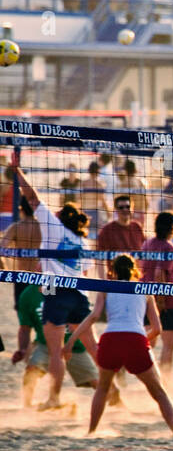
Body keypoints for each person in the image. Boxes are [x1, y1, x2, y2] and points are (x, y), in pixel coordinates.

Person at [12, 163, 98, 410]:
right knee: (93, 347)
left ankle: (54, 398)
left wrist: (18, 173)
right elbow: (85, 272)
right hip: (80, 295)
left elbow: (32, 197)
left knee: (56, 350)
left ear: (60, 216)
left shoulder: (53, 226)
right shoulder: (83, 241)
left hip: (57, 293)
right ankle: (111, 389)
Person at [67, 254, 173, 437]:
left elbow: (94, 316)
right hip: (135, 339)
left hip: (110, 340)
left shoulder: (105, 288)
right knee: (159, 393)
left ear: (113, 270)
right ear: (134, 269)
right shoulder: (146, 290)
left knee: (102, 389)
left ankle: (91, 431)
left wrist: (71, 341)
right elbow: (157, 329)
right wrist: (143, 340)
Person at [12, 283, 106, 407]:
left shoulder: (70, 289)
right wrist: (23, 349)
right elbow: (24, 328)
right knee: (31, 371)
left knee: (96, 381)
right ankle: (27, 406)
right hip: (45, 343)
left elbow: (84, 321)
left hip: (75, 346)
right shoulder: (28, 294)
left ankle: (116, 403)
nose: (39, 266)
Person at [139, 211, 173, 372]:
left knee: (148, 341)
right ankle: (163, 380)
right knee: (168, 344)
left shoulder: (147, 243)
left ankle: (146, 373)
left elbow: (141, 267)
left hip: (144, 295)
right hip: (165, 300)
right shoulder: (168, 247)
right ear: (172, 227)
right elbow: (159, 273)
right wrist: (161, 301)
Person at [2, 194, 42, 313]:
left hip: (21, 277)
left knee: (24, 323)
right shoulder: (43, 227)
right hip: (42, 277)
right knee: (45, 319)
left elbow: (2, 248)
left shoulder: (16, 227)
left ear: (21, 208)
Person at [96, 194, 145, 277]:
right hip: (115, 280)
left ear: (132, 209)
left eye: (128, 206)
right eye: (121, 207)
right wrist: (103, 285)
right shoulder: (107, 230)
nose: (125, 209)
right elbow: (99, 259)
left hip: (135, 281)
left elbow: (143, 255)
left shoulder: (137, 227)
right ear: (116, 210)